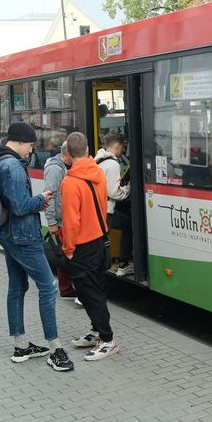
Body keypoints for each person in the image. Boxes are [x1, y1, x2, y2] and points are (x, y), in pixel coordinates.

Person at [0, 121, 73, 372]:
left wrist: (34, 202)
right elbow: (21, 206)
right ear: (22, 142)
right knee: (48, 286)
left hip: (7, 233)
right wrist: (40, 199)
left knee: (17, 286)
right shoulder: (12, 166)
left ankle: (21, 345)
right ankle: (55, 349)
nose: (31, 150)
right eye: (31, 145)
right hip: (23, 236)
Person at [60, 132, 119, 361]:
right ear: (87, 151)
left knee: (89, 293)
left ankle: (107, 339)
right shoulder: (98, 174)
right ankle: (97, 331)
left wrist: (68, 249)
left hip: (82, 246)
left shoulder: (70, 182)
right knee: (96, 289)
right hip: (99, 240)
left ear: (67, 154)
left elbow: (71, 222)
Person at [43, 133, 81, 303]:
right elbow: (49, 197)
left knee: (64, 254)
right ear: (67, 153)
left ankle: (66, 287)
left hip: (64, 218)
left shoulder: (63, 166)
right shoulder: (55, 169)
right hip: (59, 220)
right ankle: (65, 288)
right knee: (63, 254)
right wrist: (51, 222)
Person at [95, 131, 133, 276]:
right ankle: (123, 264)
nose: (123, 151)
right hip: (105, 211)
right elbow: (114, 192)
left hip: (96, 209)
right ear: (117, 146)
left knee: (99, 241)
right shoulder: (113, 164)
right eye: (123, 147)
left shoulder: (98, 159)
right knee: (128, 226)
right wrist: (128, 188)